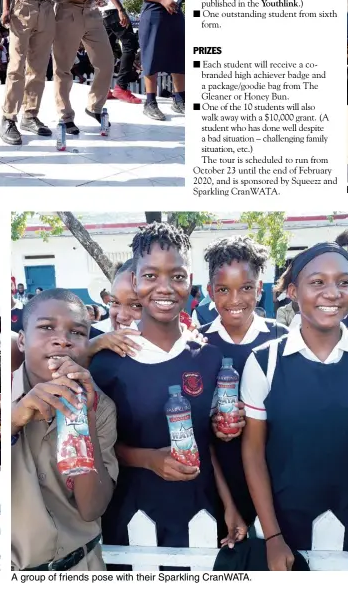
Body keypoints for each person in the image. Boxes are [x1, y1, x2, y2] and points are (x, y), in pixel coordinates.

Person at [89, 223, 247, 562]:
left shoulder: (209, 358)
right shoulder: (106, 363)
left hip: (201, 512)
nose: (165, 288)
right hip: (131, 516)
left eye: (176, 276)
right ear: (135, 281)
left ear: (190, 281)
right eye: (150, 276)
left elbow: (205, 442)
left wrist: (229, 504)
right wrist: (147, 459)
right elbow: (94, 445)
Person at [241, 241, 348, 571]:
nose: (332, 293)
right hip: (285, 530)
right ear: (294, 292)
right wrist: (272, 536)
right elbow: (253, 453)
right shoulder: (264, 362)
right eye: (317, 282)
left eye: (343, 282)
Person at [11, 289, 117, 571]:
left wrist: (85, 414)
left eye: (78, 333)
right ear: (22, 340)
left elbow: (92, 508)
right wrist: (13, 420)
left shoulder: (101, 408)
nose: (63, 340)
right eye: (46, 327)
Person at [201, 236, 287, 535]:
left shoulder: (282, 340)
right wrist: (212, 420)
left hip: (274, 476)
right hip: (216, 479)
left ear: (259, 289)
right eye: (223, 290)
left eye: (246, 288)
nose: (235, 299)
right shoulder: (197, 343)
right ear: (211, 292)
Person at [0, 0, 58, 145]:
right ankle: (8, 117)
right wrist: (5, 9)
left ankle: (30, 114)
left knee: (39, 66)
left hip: (45, 9)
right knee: (16, 65)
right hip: (21, 6)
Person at [51, 0, 114, 135]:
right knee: (63, 67)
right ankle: (65, 115)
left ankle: (94, 106)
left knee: (106, 62)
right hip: (67, 13)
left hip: (92, 14)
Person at [129, 0, 186, 121]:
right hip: (153, 16)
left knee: (179, 56)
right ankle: (150, 102)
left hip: (176, 16)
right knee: (151, 57)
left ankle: (180, 99)